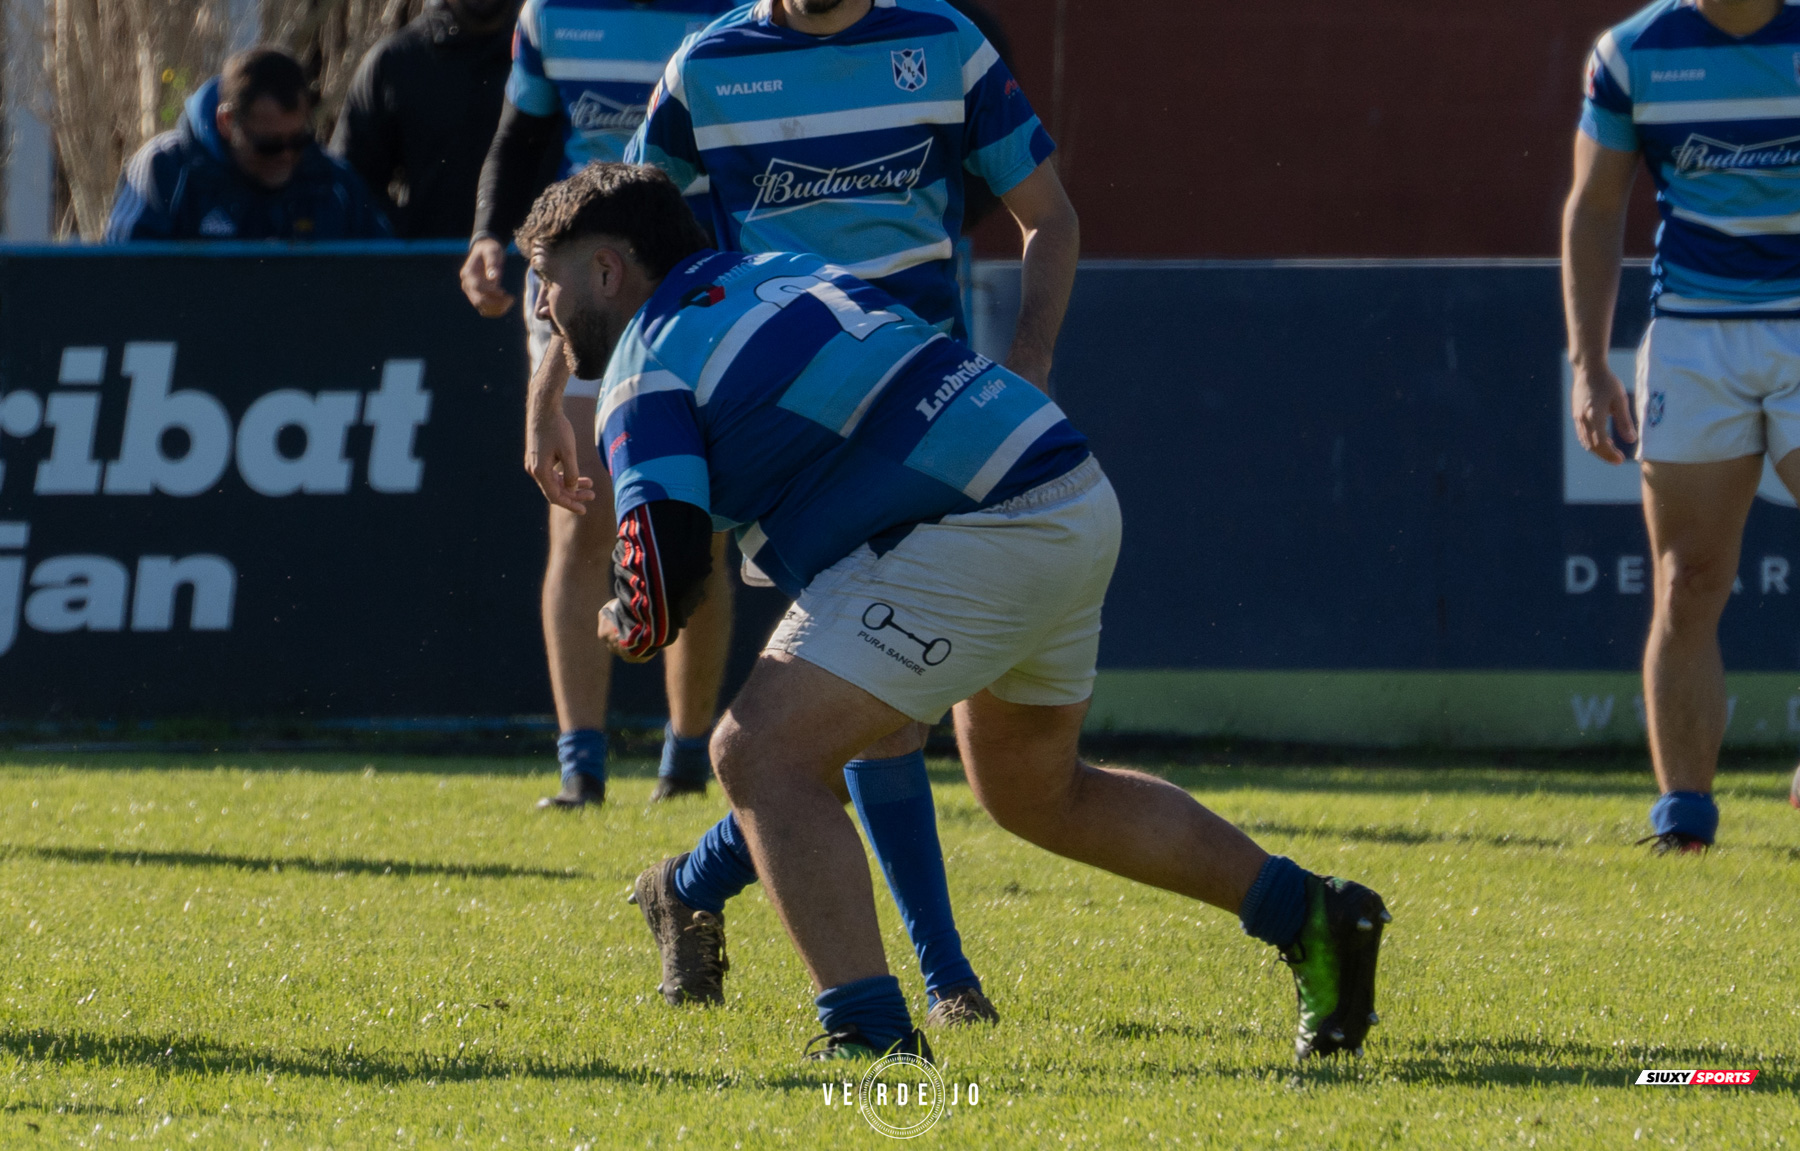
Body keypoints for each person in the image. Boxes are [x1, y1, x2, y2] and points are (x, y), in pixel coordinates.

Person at [516, 161, 1392, 1061]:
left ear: (609, 269)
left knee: (760, 755)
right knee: (1037, 794)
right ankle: (1314, 915)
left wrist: (626, 622)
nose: (541, 307)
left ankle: (868, 1033)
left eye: (547, 278)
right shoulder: (770, 270)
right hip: (1067, 489)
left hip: (970, 527)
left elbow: (662, 579)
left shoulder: (644, 362)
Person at [613, 0, 1079, 1028]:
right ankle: (944, 976)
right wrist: (561, 391)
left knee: (867, 712)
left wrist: (1032, 362)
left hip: (932, 423)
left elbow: (1050, 214)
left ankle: (687, 886)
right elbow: (625, 236)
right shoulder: (709, 65)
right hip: (787, 443)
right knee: (881, 715)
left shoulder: (942, 43)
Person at [459, 0, 736, 807]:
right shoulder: (551, 14)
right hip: (584, 289)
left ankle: (685, 760)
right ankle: (581, 767)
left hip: (697, 289)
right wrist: (486, 235)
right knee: (580, 513)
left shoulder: (733, 16)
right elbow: (519, 135)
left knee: (699, 524)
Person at [1565, 0, 1800, 854]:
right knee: (1689, 578)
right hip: (1696, 343)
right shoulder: (1631, 53)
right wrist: (1590, 367)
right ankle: (1686, 820)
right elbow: (1594, 209)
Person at [105, 47, 391, 242]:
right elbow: (124, 279)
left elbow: (385, 279)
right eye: (269, 145)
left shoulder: (334, 184)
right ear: (226, 122)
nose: (287, 156)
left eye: (299, 140)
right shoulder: (164, 170)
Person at [331, 0, 526, 239]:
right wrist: (405, 242)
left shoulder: (548, 58)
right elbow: (349, 187)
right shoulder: (395, 62)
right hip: (429, 267)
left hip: (537, 266)